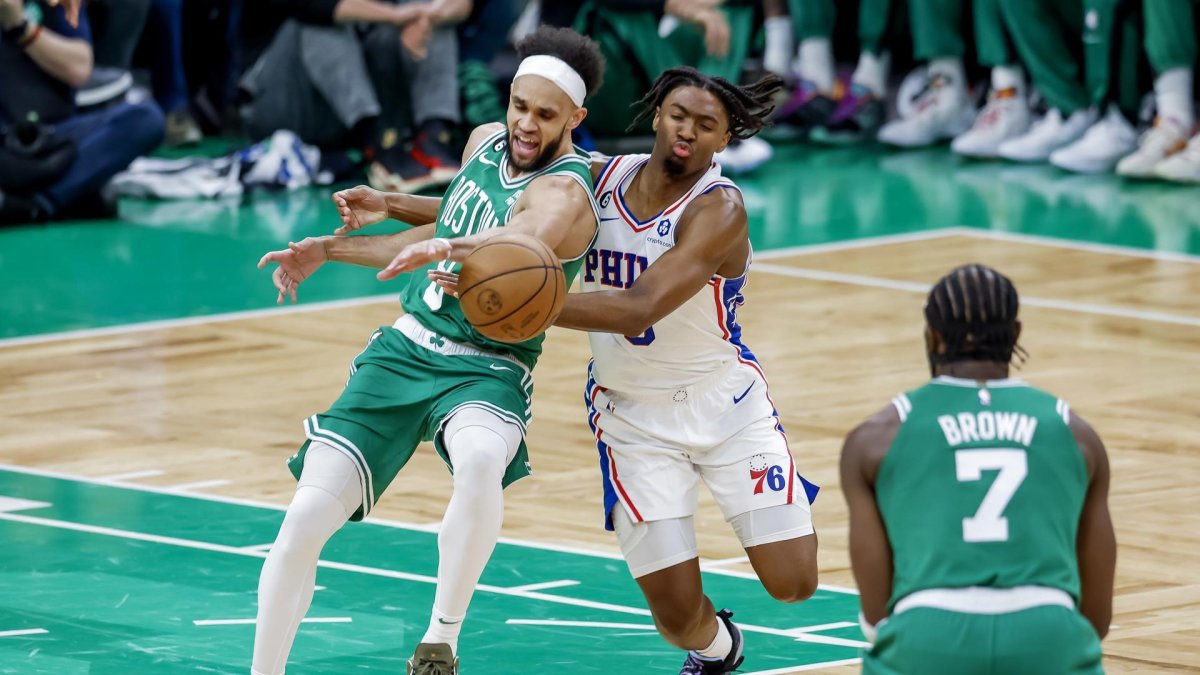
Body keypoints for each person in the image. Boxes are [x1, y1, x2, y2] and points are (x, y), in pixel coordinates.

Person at [430, 66, 821, 674]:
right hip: (631, 419)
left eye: (707, 125)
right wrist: (390, 207)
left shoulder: (720, 210)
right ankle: (720, 650)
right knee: (676, 621)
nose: (687, 130)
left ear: (725, 140)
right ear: (656, 114)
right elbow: (483, 203)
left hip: (725, 407)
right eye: (678, 115)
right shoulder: (601, 177)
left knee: (794, 583)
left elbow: (638, 306)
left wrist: (520, 300)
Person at [251, 26, 604, 675]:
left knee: (477, 462)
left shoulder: (567, 192)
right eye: (519, 105)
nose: (525, 123)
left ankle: (440, 640)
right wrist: (337, 242)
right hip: (406, 349)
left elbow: (520, 239)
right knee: (303, 518)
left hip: (491, 367)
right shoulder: (482, 143)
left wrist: (443, 247)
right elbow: (451, 216)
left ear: (576, 118)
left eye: (545, 114)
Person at [840, 264, 1116, 673]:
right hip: (1047, 635)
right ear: (1016, 334)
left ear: (931, 336)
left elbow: (877, 612)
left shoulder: (874, 440)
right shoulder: (1077, 436)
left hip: (928, 635)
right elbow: (1096, 617)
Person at [0, 0, 164, 225]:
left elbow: (79, 69)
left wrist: (21, 27)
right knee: (97, 196)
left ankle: (35, 203)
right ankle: (74, 191)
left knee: (146, 119)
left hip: (54, 137)